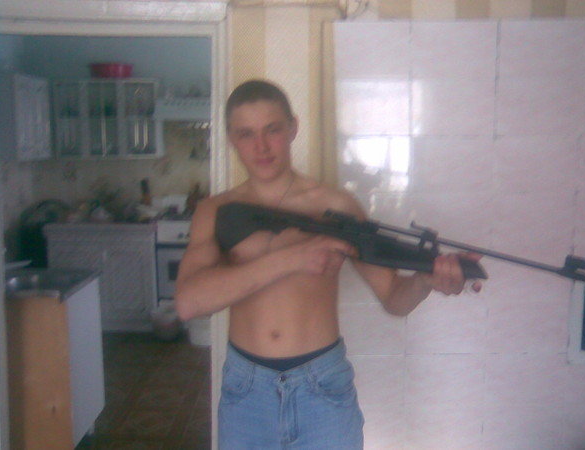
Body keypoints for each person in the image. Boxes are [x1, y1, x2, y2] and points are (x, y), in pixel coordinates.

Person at [174, 79, 481, 449]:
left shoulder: (337, 206)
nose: (261, 146)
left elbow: (394, 298)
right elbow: (189, 303)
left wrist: (425, 281)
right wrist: (291, 258)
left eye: (273, 130)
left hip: (321, 387)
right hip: (247, 391)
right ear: (230, 139)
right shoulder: (216, 211)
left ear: (293, 128)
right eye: (246, 134)